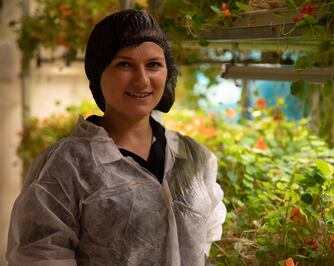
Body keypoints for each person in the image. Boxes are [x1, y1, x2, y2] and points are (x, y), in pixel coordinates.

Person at [6, 9, 226, 266]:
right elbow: (39, 256)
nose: (142, 80)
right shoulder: (68, 166)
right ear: (98, 75)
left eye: (153, 64)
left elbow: (205, 239)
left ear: (167, 72)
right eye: (124, 64)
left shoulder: (194, 157)